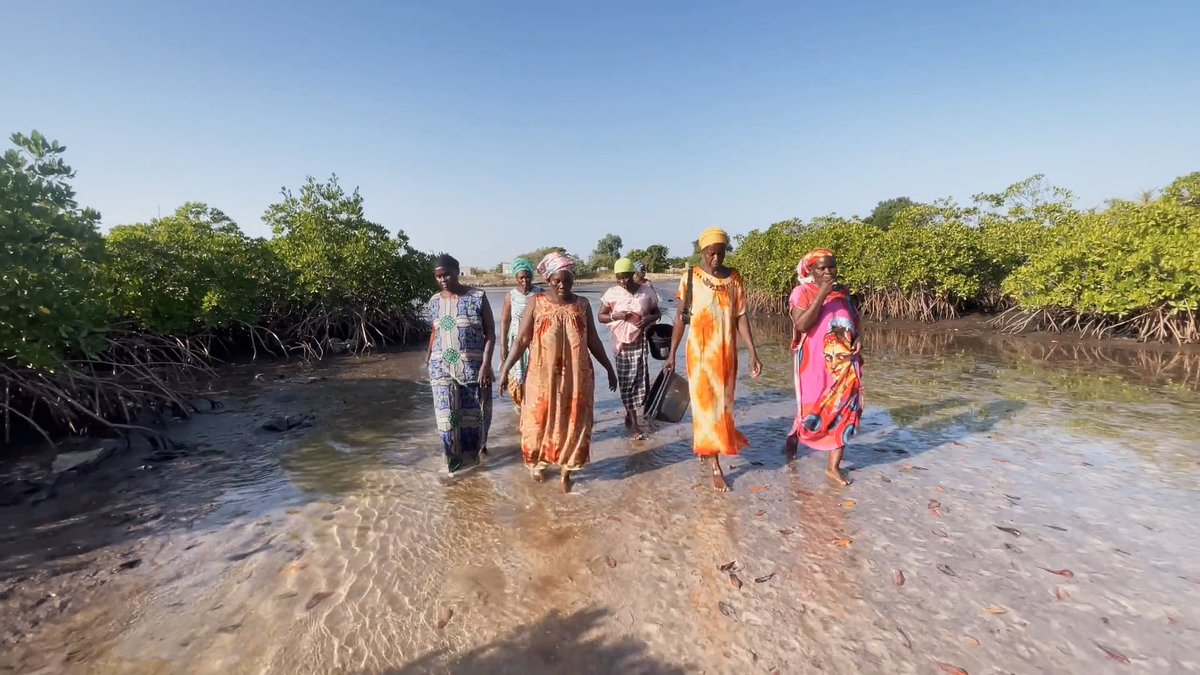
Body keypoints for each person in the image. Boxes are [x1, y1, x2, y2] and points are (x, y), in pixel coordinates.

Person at [499, 252, 618, 493]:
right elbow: (522, 339)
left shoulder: (582, 305)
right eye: (557, 281)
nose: (562, 285)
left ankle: (567, 471)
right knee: (537, 419)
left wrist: (608, 367)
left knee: (573, 422)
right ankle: (538, 464)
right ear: (548, 279)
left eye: (567, 280)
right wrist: (505, 369)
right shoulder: (537, 301)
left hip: (577, 376)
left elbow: (593, 340)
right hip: (541, 378)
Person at [664, 227, 763, 492]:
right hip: (700, 354)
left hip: (727, 353)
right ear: (702, 251)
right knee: (706, 407)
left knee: (724, 405)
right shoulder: (690, 277)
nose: (715, 259)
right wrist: (672, 353)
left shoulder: (734, 278)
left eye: (720, 253)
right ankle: (715, 465)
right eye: (710, 254)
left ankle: (708, 446)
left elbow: (740, 316)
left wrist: (753, 351)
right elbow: (681, 318)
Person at [785, 249, 864, 486]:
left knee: (845, 409)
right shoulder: (802, 292)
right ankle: (796, 437)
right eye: (822, 268)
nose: (828, 272)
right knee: (812, 411)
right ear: (810, 270)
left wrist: (859, 338)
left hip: (845, 364)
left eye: (831, 267)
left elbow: (853, 320)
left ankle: (833, 467)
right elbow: (802, 324)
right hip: (814, 364)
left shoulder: (844, 293)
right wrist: (821, 294)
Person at [425, 254, 495, 475]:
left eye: (447, 274)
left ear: (457, 271)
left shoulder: (477, 297)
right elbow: (435, 331)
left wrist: (486, 365)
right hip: (440, 369)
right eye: (438, 276)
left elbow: (491, 334)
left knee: (473, 420)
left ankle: (472, 468)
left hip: (473, 369)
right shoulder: (434, 301)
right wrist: (427, 359)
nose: (443, 279)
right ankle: (452, 469)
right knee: (447, 421)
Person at [599, 257, 662, 438]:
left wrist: (648, 319)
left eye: (626, 277)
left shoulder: (646, 292)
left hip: (640, 341)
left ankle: (631, 413)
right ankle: (634, 424)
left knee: (641, 382)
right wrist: (616, 316)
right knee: (626, 382)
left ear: (633, 275)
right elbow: (600, 316)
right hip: (621, 344)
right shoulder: (611, 293)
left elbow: (657, 312)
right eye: (619, 277)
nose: (623, 281)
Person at [499, 257, 541, 413]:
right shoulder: (511, 296)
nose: (525, 280)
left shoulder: (540, 295)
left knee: (534, 374)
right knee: (517, 374)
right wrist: (503, 347)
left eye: (528, 276)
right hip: (516, 341)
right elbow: (504, 321)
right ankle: (520, 406)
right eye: (521, 277)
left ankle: (533, 406)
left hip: (535, 340)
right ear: (516, 277)